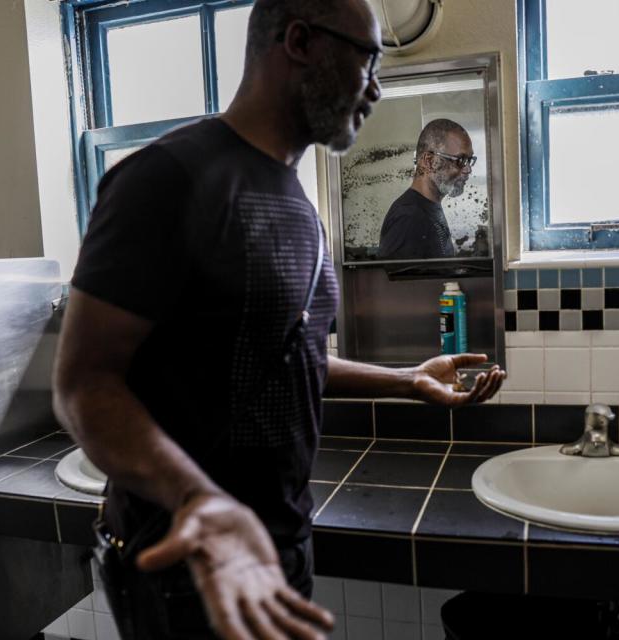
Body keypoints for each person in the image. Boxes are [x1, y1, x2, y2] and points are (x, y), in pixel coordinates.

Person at [52, 1, 506, 638]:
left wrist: (408, 380)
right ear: (300, 41)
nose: (375, 85)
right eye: (367, 59)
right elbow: (83, 385)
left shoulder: (296, 202)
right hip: (190, 558)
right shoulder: (168, 179)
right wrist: (198, 500)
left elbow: (289, 359)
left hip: (278, 546)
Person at [377, 119, 477, 260]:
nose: (468, 169)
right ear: (429, 161)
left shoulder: (428, 208)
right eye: (460, 161)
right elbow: (397, 282)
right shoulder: (409, 218)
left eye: (469, 160)